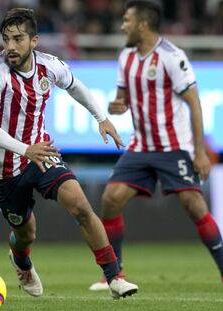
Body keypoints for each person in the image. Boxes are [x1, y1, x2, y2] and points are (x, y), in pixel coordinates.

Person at [0, 8, 138, 299]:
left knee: (81, 206)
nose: (10, 47)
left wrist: (101, 117)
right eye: (6, 39)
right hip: (4, 169)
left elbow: (76, 87)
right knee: (27, 234)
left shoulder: (50, 67)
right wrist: (26, 149)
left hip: (42, 153)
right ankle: (21, 261)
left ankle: (114, 277)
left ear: (34, 41)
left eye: (18, 39)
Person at [89, 0, 223, 291]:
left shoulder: (172, 57)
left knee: (195, 206)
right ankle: (115, 273)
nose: (122, 25)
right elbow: (122, 99)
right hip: (141, 146)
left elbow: (194, 104)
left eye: (127, 20)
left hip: (173, 146)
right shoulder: (126, 57)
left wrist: (199, 151)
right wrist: (117, 106)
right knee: (111, 199)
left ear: (143, 24)